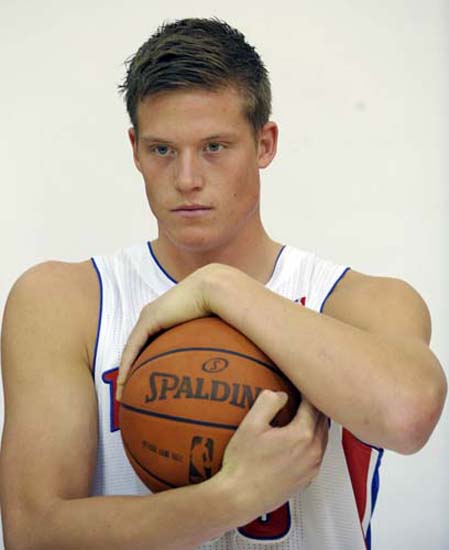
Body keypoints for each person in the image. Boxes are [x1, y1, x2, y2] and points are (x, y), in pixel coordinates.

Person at [0, 17, 446, 550]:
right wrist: (231, 499)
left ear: (264, 144)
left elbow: (408, 414)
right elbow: (33, 533)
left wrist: (221, 287)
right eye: (163, 149)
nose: (187, 178)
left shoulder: (360, 302)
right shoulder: (66, 301)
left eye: (215, 146)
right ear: (135, 149)